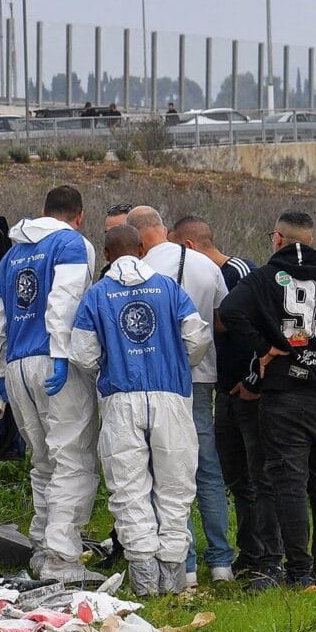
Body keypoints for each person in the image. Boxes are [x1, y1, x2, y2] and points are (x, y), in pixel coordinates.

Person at [218, 210, 316, 590]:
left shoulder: (264, 279)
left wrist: (266, 347)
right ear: (311, 239)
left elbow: (230, 312)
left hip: (286, 395)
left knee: (288, 483)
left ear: (278, 239)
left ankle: (298, 573)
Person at [65, 224, 211, 596]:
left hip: (120, 397)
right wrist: (178, 362)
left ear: (108, 254)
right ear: (143, 250)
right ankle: (173, 581)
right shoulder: (169, 289)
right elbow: (197, 337)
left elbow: (82, 352)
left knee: (129, 489)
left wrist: (108, 365)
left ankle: (145, 582)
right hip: (172, 396)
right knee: (175, 488)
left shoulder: (97, 296)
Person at [0, 184, 101, 582]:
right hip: (53, 360)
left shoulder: (14, 253)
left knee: (44, 461)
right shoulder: (72, 244)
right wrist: (65, 354)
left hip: (16, 364)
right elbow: (65, 302)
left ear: (43, 210)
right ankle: (62, 558)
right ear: (78, 215)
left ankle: (42, 546)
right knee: (73, 458)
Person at [132, 207, 235, 583]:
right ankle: (222, 561)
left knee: (168, 472)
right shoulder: (206, 266)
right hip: (203, 377)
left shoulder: (142, 270)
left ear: (140, 239)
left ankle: (185, 565)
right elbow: (223, 320)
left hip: (161, 382)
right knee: (207, 466)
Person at [181, 215, 272, 579]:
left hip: (245, 391)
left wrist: (253, 380)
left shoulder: (238, 271)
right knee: (231, 474)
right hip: (224, 388)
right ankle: (242, 555)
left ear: (188, 247)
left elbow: (260, 325)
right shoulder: (215, 274)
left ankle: (258, 552)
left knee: (249, 477)